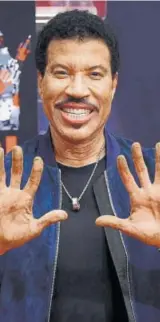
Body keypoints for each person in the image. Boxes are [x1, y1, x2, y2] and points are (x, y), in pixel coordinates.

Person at [0, 9, 160, 322]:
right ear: (40, 82)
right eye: (61, 73)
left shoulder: (152, 177)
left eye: (94, 74)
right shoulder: (5, 181)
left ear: (113, 85)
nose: (77, 90)